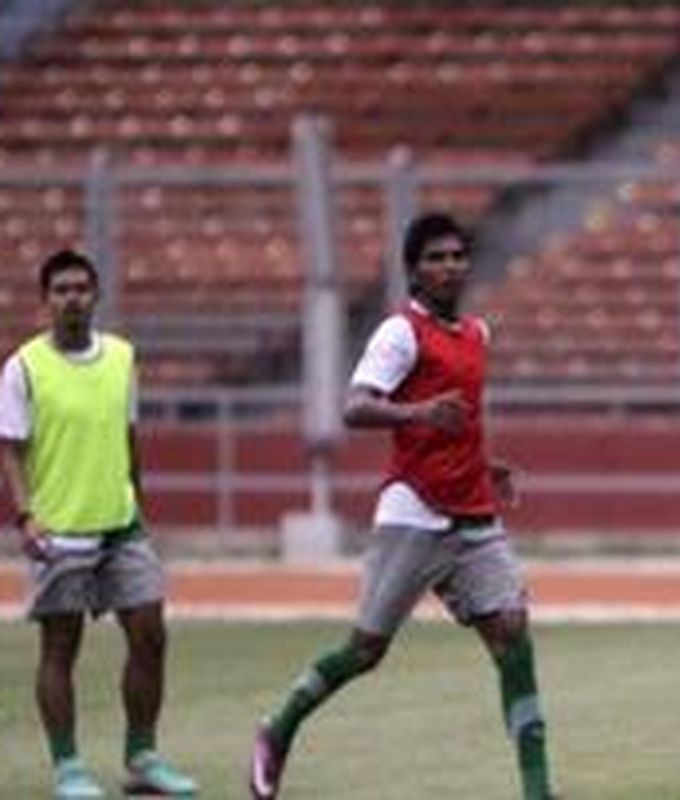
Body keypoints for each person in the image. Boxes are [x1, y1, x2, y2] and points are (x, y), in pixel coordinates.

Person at [250, 212, 562, 800]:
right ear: (413, 272)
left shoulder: (477, 334)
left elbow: (460, 419)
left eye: (457, 256)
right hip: (414, 510)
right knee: (366, 650)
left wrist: (484, 463)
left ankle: (538, 790)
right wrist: (416, 414)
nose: (449, 266)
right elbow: (355, 406)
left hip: (472, 512)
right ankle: (278, 729)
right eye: (436, 258)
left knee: (513, 638)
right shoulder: (399, 334)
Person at [0, 250, 197, 799]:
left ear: (97, 295)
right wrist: (25, 515)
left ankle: (142, 756)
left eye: (82, 288)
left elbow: (129, 436)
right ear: (46, 300)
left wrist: (139, 502)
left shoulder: (121, 358)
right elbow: (11, 450)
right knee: (61, 647)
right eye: (61, 290)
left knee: (151, 635)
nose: (72, 299)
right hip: (59, 529)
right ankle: (68, 767)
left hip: (122, 523)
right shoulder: (23, 367)